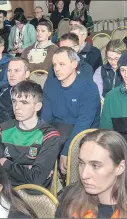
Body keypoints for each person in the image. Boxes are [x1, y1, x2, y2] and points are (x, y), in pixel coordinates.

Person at [55, 130, 127, 218]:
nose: (84, 175)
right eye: (81, 163)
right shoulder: (69, 199)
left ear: (120, 168)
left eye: (95, 165)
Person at [42, 47, 101, 175]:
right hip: (58, 129)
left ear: (74, 64)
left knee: (58, 136)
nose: (57, 69)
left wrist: (67, 151)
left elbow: (83, 124)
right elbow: (45, 119)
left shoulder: (88, 88)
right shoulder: (50, 85)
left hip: (82, 131)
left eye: (62, 64)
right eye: (55, 65)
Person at [0, 80, 61, 188]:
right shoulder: (3, 129)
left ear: (37, 107)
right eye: (14, 101)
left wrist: (5, 163)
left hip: (32, 195)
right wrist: (28, 171)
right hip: (5, 190)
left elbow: (36, 178)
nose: (17, 107)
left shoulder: (50, 135)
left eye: (24, 102)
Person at [0, 58, 29, 129]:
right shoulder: (0, 92)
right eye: (9, 70)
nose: (11, 74)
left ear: (27, 74)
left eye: (16, 70)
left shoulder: (33, 96)